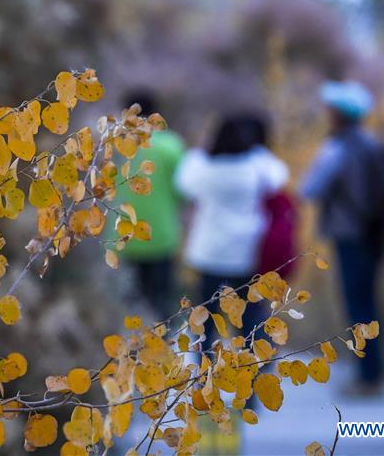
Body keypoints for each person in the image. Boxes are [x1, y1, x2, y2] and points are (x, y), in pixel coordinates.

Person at [300, 80, 384, 396]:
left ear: (338, 114)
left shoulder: (337, 148)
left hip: (349, 233)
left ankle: (367, 379)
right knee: (368, 302)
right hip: (375, 232)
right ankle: (372, 372)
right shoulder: (371, 144)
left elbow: (310, 188)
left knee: (357, 305)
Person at [174, 113, 289, 342]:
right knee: (249, 315)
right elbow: (279, 176)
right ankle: (254, 360)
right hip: (246, 251)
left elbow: (183, 182)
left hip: (209, 250)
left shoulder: (204, 168)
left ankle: (204, 360)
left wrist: (201, 150)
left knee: (205, 315)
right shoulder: (256, 166)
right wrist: (259, 151)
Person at [114, 90, 186, 322]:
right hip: (161, 235)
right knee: (160, 301)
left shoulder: (116, 145)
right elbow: (184, 191)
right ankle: (161, 341)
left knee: (129, 303)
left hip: (123, 236)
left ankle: (129, 341)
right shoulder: (171, 145)